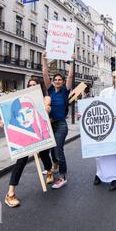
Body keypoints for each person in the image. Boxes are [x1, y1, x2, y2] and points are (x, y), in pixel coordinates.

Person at [1, 77, 55, 208]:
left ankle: (49, 170)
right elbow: (10, 116)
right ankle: (10, 193)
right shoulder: (20, 100)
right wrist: (3, 121)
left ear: (39, 86)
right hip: (24, 135)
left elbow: (46, 107)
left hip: (40, 132)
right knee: (21, 161)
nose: (31, 87)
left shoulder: (45, 97)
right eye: (29, 85)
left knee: (44, 155)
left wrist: (46, 109)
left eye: (34, 85)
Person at [42, 52, 75, 189]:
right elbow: (44, 74)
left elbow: (71, 76)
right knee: (51, 149)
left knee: (58, 149)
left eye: (59, 80)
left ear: (62, 82)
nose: (57, 81)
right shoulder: (50, 90)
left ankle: (62, 176)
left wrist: (72, 62)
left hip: (61, 125)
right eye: (55, 79)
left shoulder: (65, 92)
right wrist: (43, 59)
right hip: (50, 124)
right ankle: (55, 165)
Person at [93, 71, 116, 191]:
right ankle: (100, 174)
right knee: (102, 152)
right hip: (105, 128)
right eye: (114, 77)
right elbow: (95, 106)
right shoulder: (105, 92)